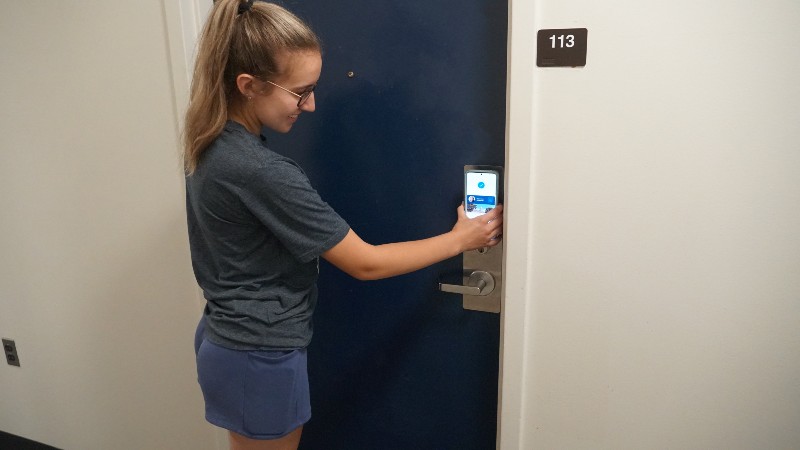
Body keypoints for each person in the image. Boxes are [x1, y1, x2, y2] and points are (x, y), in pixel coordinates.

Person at [182, 1, 503, 449]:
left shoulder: (211, 143)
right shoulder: (260, 170)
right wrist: (460, 239)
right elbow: (365, 264)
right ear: (248, 85)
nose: (310, 105)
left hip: (231, 343)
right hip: (257, 356)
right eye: (300, 91)